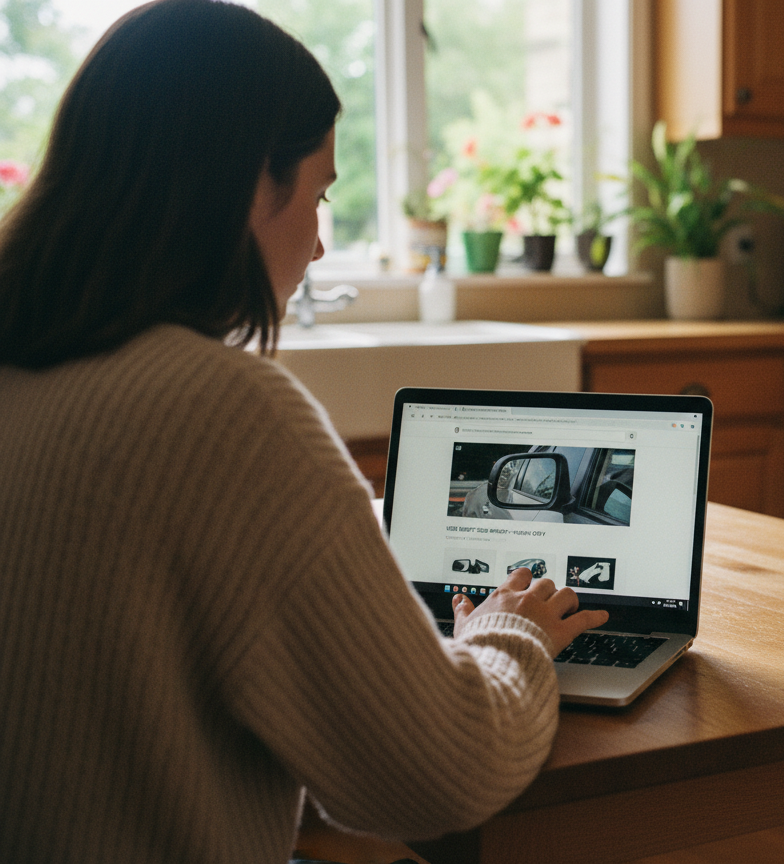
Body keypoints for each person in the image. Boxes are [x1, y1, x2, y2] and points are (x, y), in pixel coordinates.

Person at [0, 2, 608, 862]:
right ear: (255, 181)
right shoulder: (225, 412)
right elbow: (439, 777)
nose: (320, 245)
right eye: (318, 195)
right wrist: (507, 631)